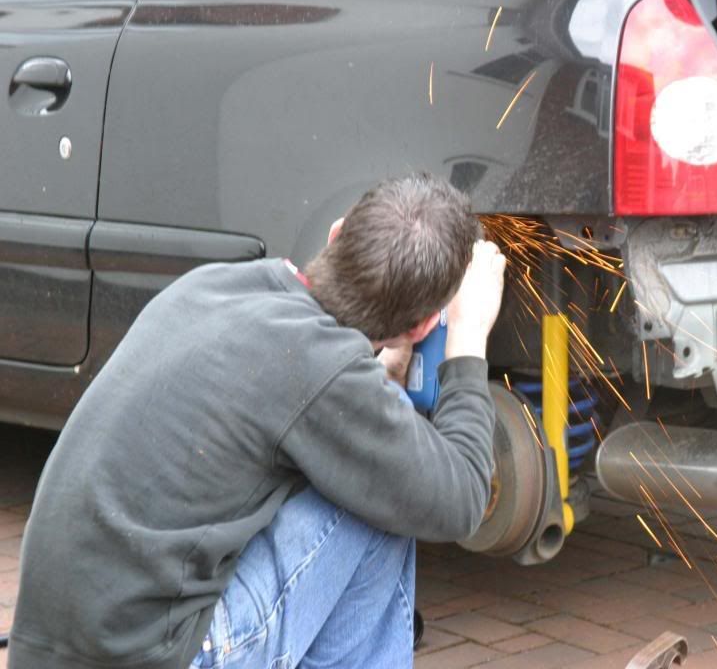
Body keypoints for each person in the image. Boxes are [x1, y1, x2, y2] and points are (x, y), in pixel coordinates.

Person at [9, 174, 506, 669]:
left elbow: (302, 386)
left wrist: (383, 371)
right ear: (422, 326)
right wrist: (468, 336)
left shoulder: (217, 285)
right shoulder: (318, 367)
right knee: (393, 492)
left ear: (336, 234)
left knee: (377, 460)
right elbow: (460, 497)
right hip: (159, 657)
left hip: (53, 649)